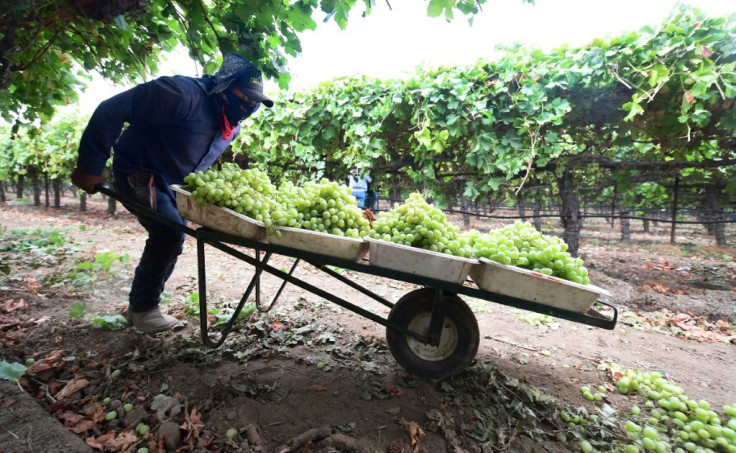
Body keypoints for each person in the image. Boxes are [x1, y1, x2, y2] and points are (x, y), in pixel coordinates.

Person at [71, 53, 274, 334]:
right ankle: (143, 309)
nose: (250, 106)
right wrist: (90, 166)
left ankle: (140, 306)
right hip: (138, 170)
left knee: (173, 237)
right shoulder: (180, 95)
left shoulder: (231, 125)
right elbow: (111, 109)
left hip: (174, 183)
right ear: (224, 87)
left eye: (256, 102)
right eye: (245, 97)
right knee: (169, 232)